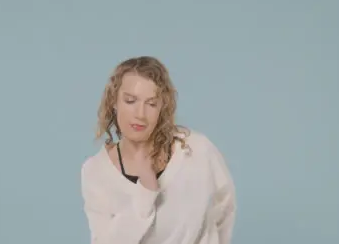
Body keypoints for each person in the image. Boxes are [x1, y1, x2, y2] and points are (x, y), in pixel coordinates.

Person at [80, 56, 236, 244]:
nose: (140, 114)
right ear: (114, 101)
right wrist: (145, 192)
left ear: (162, 107)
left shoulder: (197, 150)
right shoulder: (96, 172)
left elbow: (225, 205)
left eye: (151, 103)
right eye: (130, 101)